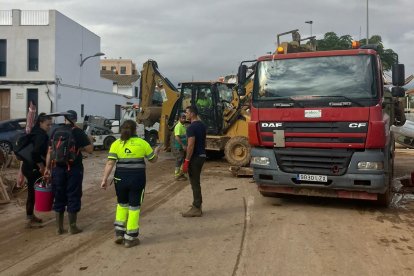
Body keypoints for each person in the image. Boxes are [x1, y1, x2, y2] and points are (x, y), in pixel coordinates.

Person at [101, 120, 160, 248]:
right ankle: (130, 238)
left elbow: (110, 163)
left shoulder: (116, 144)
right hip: (137, 179)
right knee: (134, 207)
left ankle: (119, 233)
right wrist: (156, 152)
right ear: (135, 130)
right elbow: (153, 160)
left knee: (122, 204)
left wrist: (104, 179)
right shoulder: (142, 143)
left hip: (120, 179)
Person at [45, 110, 93, 235]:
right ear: (75, 119)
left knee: (59, 195)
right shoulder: (77, 132)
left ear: (65, 119)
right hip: (74, 169)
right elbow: (90, 150)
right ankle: (72, 227)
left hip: (57, 168)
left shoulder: (55, 131)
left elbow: (50, 151)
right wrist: (88, 140)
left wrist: (47, 168)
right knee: (73, 195)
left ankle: (59, 228)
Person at [21, 113, 52, 228]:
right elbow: (35, 153)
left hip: (28, 166)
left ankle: (31, 216)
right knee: (32, 193)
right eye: (48, 124)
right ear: (41, 123)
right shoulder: (40, 135)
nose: (49, 127)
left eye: (51, 125)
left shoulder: (36, 132)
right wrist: (41, 167)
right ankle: (29, 220)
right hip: (33, 168)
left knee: (32, 192)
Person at [182, 106, 206, 217]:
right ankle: (197, 205)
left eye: (186, 112)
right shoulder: (202, 125)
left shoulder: (191, 128)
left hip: (195, 158)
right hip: (202, 155)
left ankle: (196, 207)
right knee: (196, 182)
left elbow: (191, 145)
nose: (185, 114)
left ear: (192, 114)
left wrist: (186, 161)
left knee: (194, 182)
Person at [172, 113, 188, 181]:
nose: (184, 119)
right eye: (182, 118)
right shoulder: (178, 126)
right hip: (179, 147)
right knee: (179, 160)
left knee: (183, 160)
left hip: (183, 146)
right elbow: (177, 137)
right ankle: (177, 175)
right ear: (179, 118)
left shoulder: (183, 126)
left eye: (184, 118)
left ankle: (181, 174)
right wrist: (182, 145)